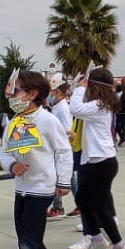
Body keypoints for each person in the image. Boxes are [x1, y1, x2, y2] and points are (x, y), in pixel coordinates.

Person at [0, 71, 74, 249]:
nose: (11, 95)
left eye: (17, 90)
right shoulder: (14, 121)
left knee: (27, 239)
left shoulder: (48, 121)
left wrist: (63, 181)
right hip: (22, 188)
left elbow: (64, 151)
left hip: (42, 188)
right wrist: (11, 165)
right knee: (27, 234)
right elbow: (5, 151)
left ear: (33, 94)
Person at [66, 68, 125, 249]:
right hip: (100, 161)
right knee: (84, 200)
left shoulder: (99, 105)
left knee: (98, 206)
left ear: (95, 87)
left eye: (88, 86)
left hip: (103, 163)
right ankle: (100, 239)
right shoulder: (100, 105)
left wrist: (79, 88)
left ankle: (117, 245)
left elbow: (75, 108)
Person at [47, 83, 73, 219]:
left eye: (51, 92)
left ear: (57, 92)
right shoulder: (56, 107)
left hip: (62, 148)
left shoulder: (63, 108)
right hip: (56, 147)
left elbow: (68, 129)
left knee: (67, 178)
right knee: (62, 178)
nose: (49, 95)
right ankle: (58, 206)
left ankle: (58, 207)